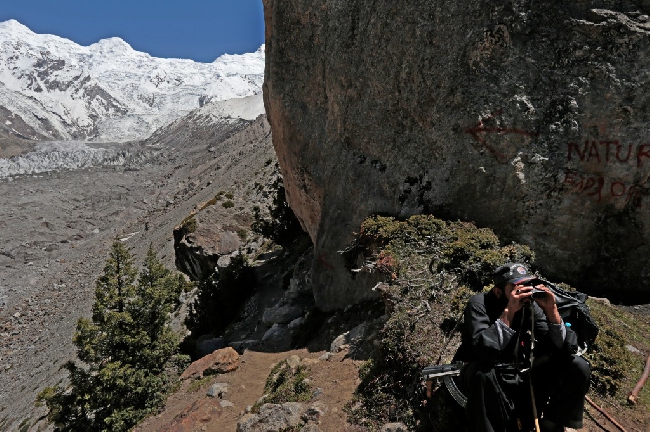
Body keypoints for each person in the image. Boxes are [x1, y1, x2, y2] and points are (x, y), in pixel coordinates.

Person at [454, 263, 591, 432]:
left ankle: (551, 423)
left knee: (578, 365)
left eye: (526, 284)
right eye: (516, 287)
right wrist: (508, 313)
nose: (524, 290)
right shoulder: (479, 304)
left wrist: (552, 312)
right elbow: (484, 351)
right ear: (498, 291)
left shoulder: (530, 306)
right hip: (486, 376)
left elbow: (562, 347)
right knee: (482, 372)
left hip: (519, 372)